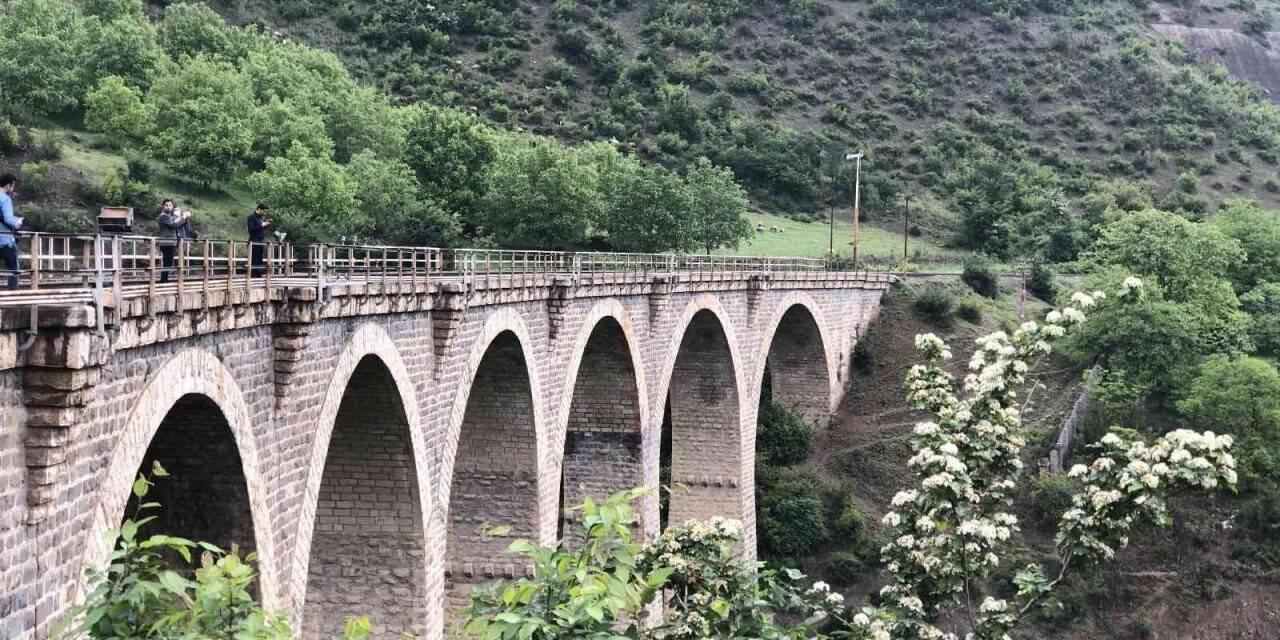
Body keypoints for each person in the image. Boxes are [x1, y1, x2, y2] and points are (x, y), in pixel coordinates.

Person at [157, 199, 192, 283]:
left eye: (170, 205)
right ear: (163, 206)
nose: (168, 207)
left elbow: (178, 223)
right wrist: (183, 217)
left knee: (168, 263)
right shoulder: (163, 216)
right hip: (167, 243)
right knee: (167, 263)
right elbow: (174, 225)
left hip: (171, 242)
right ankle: (163, 281)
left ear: (172, 207)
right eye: (166, 205)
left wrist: (182, 217)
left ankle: (164, 280)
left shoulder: (170, 216)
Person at [0, 174, 24, 290]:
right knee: (14, 269)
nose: (13, 189)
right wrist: (18, 222)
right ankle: (13, 294)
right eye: (13, 186)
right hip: (5, 240)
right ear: (8, 186)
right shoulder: (5, 199)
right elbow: (8, 219)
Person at [247, 203, 272, 277]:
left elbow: (261, 229)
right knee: (254, 259)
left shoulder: (260, 218)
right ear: (259, 209)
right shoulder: (251, 217)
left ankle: (258, 275)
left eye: (266, 211)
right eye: (264, 211)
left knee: (259, 259)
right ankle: (254, 275)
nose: (265, 213)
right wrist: (262, 225)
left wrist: (267, 224)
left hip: (260, 241)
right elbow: (251, 230)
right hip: (254, 241)